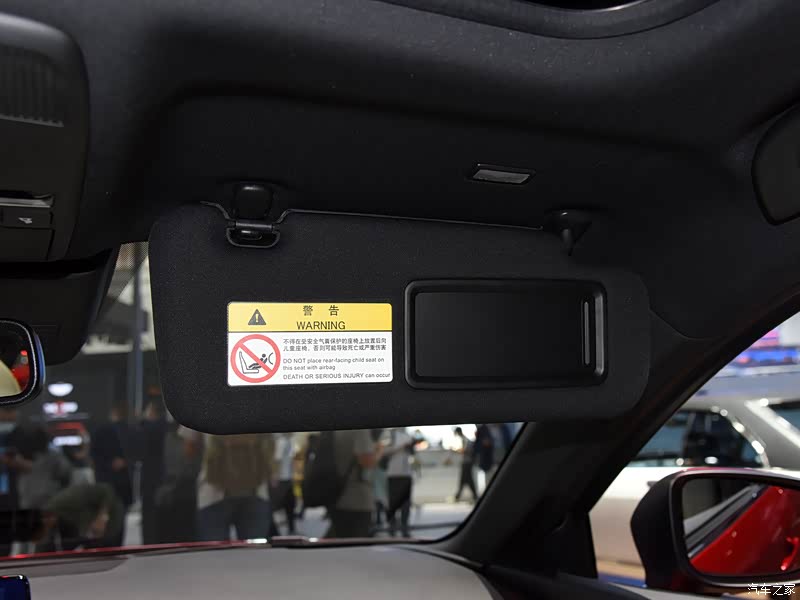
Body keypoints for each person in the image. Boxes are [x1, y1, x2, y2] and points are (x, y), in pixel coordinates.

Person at [180, 429, 276, 542]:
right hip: (257, 491)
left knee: (215, 550)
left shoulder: (201, 415)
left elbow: (189, 448)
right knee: (254, 549)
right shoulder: (263, 415)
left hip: (212, 494)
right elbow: (271, 444)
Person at [91, 402, 134, 547]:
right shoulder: (128, 431)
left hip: (106, 481)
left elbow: (94, 456)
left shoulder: (100, 431)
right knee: (119, 518)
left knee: (105, 515)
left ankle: (105, 544)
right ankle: (116, 545)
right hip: (122, 483)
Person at [38, 483, 124, 552]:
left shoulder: (72, 497)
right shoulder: (55, 520)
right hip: (88, 533)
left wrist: (102, 518)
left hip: (112, 516)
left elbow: (107, 490)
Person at [327, 429, 381, 538]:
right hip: (357, 499)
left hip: (337, 495)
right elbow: (367, 462)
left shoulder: (338, 431)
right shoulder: (360, 430)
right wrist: (379, 451)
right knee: (356, 542)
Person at [17, 426, 72, 511]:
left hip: (30, 501)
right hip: (47, 501)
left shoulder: (21, 457)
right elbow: (65, 474)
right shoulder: (54, 456)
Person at [138, 400, 169, 545]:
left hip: (150, 477)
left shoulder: (148, 428)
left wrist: (144, 419)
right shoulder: (167, 427)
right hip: (164, 475)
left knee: (149, 515)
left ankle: (149, 543)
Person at [382, 428, 416, 537]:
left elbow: (412, 454)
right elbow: (384, 452)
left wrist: (411, 446)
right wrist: (401, 447)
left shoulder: (408, 435)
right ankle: (392, 529)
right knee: (392, 504)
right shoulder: (390, 434)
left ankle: (404, 529)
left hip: (406, 475)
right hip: (392, 475)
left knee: (406, 505)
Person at [271, 432, 299, 534]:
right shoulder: (282, 442)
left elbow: (291, 460)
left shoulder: (289, 441)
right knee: (278, 505)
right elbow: (277, 460)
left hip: (287, 478)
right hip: (281, 479)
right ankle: (274, 530)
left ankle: (291, 529)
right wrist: (274, 476)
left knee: (290, 505)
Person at [453, 427, 477, 503]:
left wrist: (455, 450)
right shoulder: (465, 440)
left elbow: (465, 451)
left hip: (467, 463)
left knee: (465, 479)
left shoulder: (465, 440)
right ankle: (473, 496)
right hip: (466, 462)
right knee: (467, 479)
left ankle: (458, 496)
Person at [474, 424, 495, 494]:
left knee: (488, 479)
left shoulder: (483, 429)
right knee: (486, 479)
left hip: (487, 460)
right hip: (484, 460)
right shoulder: (482, 430)